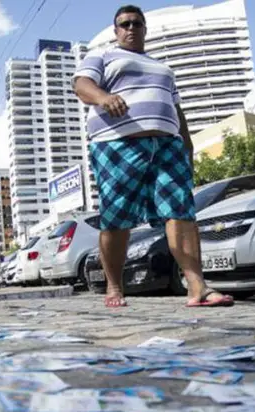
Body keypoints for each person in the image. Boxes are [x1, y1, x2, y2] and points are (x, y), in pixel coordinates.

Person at [73, 4, 234, 308]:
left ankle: (197, 286)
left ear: (145, 28)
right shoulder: (103, 55)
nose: (130, 28)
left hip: (167, 146)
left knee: (181, 212)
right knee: (116, 218)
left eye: (136, 23)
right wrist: (105, 98)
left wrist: (186, 145)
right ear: (116, 30)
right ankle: (114, 286)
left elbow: (176, 108)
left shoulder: (163, 68)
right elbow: (81, 85)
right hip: (118, 144)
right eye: (124, 24)